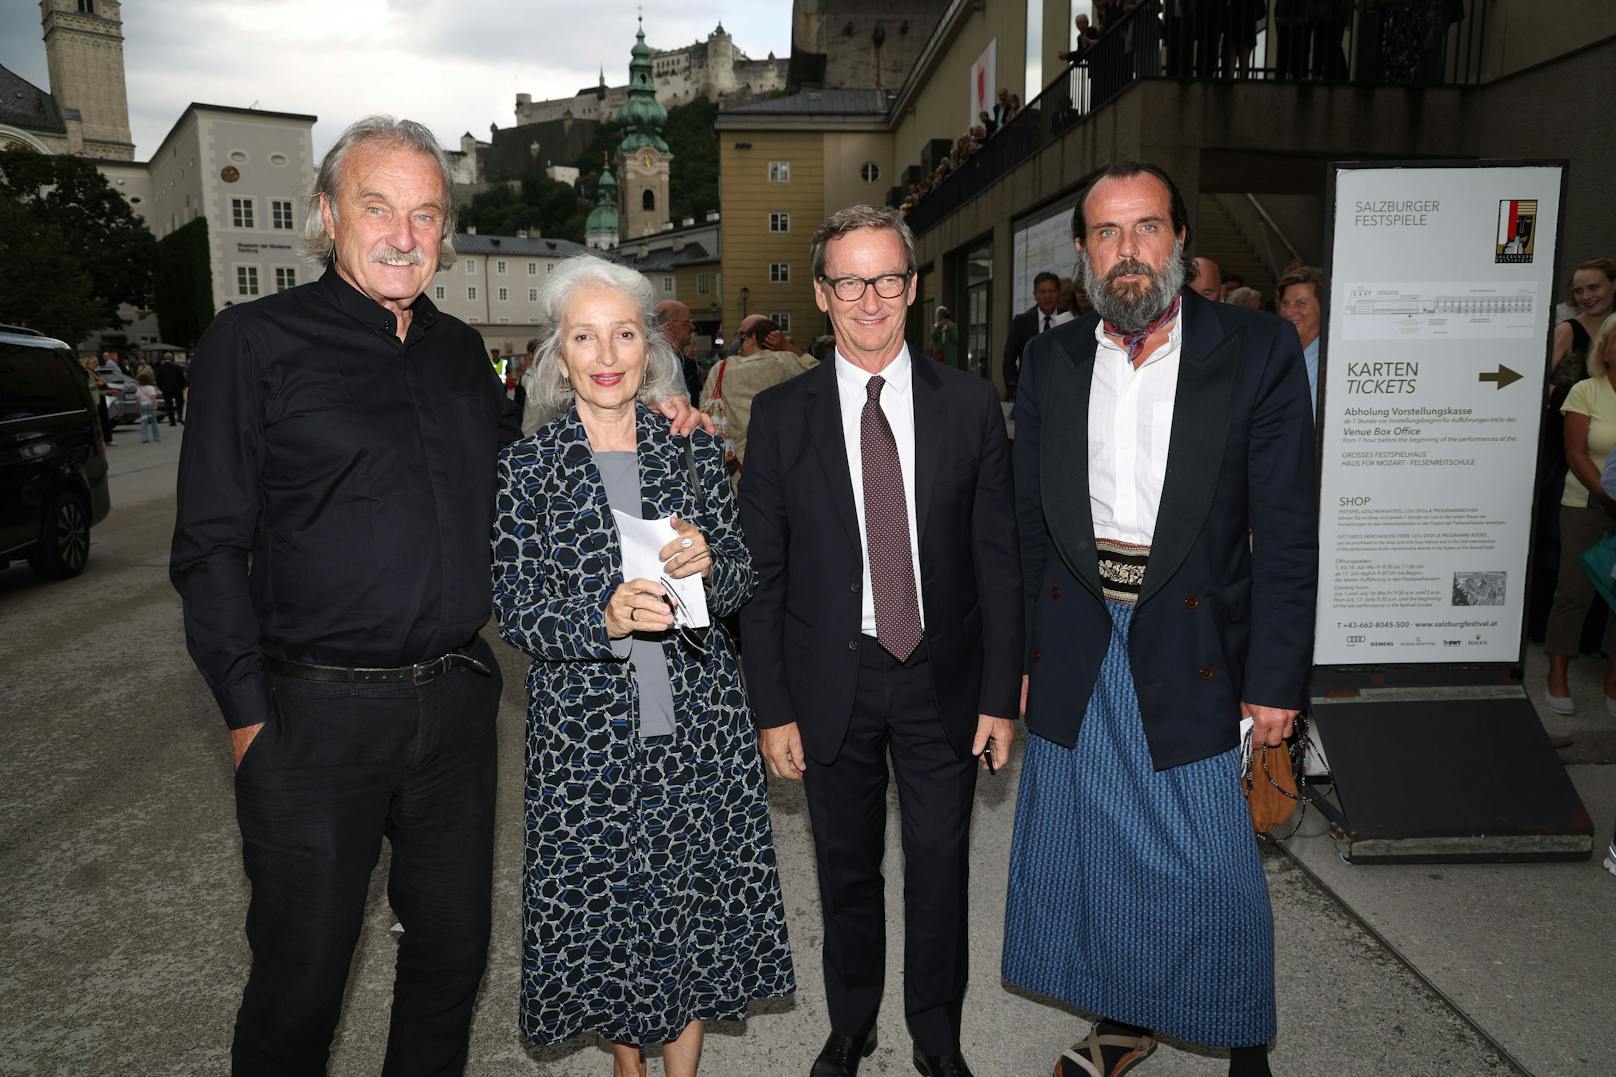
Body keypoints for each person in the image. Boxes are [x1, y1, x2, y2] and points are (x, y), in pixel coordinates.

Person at [170, 113, 711, 1076]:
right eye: (379, 208)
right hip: (312, 713)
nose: (404, 234)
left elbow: (540, 487)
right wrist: (249, 720)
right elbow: (209, 547)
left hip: (456, 707)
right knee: (302, 976)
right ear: (329, 214)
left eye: (426, 215)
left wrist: (652, 413)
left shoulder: (463, 355)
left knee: (450, 961)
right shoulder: (251, 343)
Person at [1004, 161, 1317, 1077]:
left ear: (1180, 238)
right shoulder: (1050, 357)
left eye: (1146, 228)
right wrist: (1026, 654)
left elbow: (1289, 531)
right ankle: (1124, 1023)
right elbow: (1030, 524)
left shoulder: (1253, 348)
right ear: (1083, 252)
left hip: (1197, 635)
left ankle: (1242, 1042)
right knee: (1096, 844)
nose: (1127, 251)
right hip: (1079, 629)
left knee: (1208, 857)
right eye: (1107, 233)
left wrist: (1274, 683)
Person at [494, 256, 794, 1077]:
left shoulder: (690, 447)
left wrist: (708, 563)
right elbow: (516, 609)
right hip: (590, 742)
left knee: (691, 909)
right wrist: (601, 617)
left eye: (623, 332)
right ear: (557, 356)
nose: (605, 352)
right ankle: (630, 1066)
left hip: (698, 725)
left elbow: (739, 576)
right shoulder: (527, 468)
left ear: (648, 347)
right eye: (584, 335)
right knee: (616, 913)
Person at [740, 204, 1022, 1077]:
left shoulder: (970, 406)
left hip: (942, 675)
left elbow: (998, 561)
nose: (872, 298)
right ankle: (851, 1026)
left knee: (940, 871)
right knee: (845, 870)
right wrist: (772, 707)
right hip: (835, 679)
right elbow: (762, 574)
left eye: (889, 278)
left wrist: (999, 694)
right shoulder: (782, 416)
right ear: (823, 295)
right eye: (851, 281)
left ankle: (937, 1039)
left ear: (912, 286)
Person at [1543, 314, 1616, 716]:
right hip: (1587, 505)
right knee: (1573, 593)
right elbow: (1576, 453)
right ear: (1604, 348)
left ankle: (1613, 684)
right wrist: (1608, 496)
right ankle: (1557, 677)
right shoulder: (1585, 392)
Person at [701, 314, 818, 488]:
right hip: (782, 461)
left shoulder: (722, 368)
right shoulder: (786, 363)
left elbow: (704, 412)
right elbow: (819, 371)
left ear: (753, 338)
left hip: (737, 465)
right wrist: (786, 346)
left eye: (743, 337)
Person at [1003, 271, 1064, 398]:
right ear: (1035, 295)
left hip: (1062, 392)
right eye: (1042, 292)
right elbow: (1009, 360)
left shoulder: (1069, 319)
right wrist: (1015, 390)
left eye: (1051, 291)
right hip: (1029, 393)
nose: (1047, 296)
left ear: (1058, 293)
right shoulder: (1022, 321)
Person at [1277, 265, 1327, 415]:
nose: (1289, 312)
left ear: (1324, 307)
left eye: (1301, 303)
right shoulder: (1279, 354)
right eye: (1285, 303)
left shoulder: (1327, 363)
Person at [656, 298, 704, 404]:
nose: (692, 326)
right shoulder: (667, 360)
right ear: (671, 326)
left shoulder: (668, 357)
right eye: (688, 321)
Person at [82, 355, 113, 445]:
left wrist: (107, 392)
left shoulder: (95, 373)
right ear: (87, 364)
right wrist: (97, 384)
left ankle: (106, 439)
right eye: (92, 362)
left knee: (104, 419)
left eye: (96, 362)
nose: (95, 364)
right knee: (98, 421)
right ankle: (99, 440)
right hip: (94, 400)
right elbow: (87, 387)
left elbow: (98, 390)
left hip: (100, 398)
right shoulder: (87, 373)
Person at [155, 350, 187, 425]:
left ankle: (172, 421)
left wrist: (161, 388)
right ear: (172, 358)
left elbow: (158, 379)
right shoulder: (177, 367)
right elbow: (181, 378)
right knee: (180, 402)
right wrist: (184, 386)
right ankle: (179, 416)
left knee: (169, 405)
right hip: (177, 388)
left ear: (164, 358)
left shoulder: (160, 367)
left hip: (166, 389)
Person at [134, 370, 161, 443]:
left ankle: (144, 438)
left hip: (143, 406)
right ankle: (157, 437)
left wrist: (138, 408)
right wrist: (155, 405)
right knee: (154, 422)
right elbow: (153, 397)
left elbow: (137, 399)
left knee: (144, 422)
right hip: (150, 405)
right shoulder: (151, 388)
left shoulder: (139, 389)